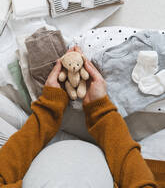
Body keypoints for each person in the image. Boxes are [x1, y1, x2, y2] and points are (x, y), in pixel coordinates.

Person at [0, 46, 162, 188]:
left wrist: (48, 109)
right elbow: (136, 176)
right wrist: (101, 111)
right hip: (110, 159)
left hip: (33, 154)